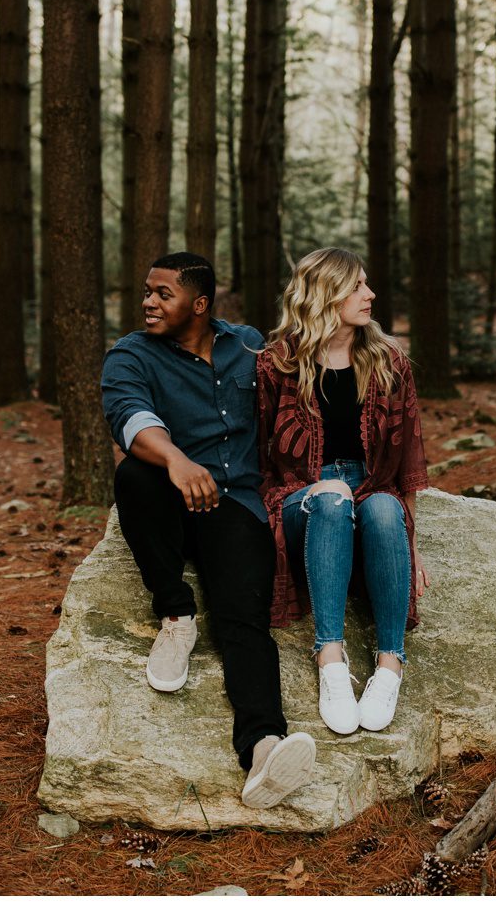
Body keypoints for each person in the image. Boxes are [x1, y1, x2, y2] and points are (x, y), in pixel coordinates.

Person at [100, 251, 316, 810]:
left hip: (236, 506)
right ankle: (175, 615)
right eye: (147, 291)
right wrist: (175, 459)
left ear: (199, 304)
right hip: (166, 499)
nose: (148, 302)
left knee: (243, 621)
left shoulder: (247, 344)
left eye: (162, 294)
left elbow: (306, 376)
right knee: (134, 477)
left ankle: (264, 746)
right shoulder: (130, 354)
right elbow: (128, 416)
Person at [256, 248, 430, 736]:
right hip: (300, 498)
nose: (370, 294)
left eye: (367, 284)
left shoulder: (389, 360)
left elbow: (411, 461)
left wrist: (411, 545)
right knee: (330, 496)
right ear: (325, 293)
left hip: (371, 486)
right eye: (357, 286)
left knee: (380, 508)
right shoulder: (276, 365)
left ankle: (389, 663)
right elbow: (255, 454)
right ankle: (330, 659)